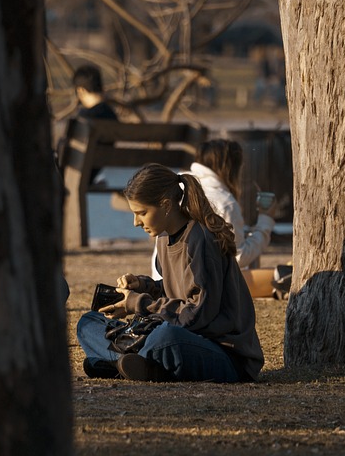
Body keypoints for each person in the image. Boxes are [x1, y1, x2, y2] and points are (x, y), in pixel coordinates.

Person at [77, 163, 264, 383]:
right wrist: (143, 285)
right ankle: (139, 364)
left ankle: (124, 362)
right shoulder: (164, 237)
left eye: (142, 213)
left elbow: (196, 314)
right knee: (88, 323)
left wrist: (138, 304)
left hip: (224, 353)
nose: (136, 222)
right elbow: (173, 289)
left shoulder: (201, 239)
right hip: (186, 335)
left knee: (165, 337)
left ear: (166, 205)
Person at [152, 139, 277, 297]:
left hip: (165, 284)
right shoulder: (225, 202)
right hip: (200, 290)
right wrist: (265, 221)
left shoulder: (178, 187)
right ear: (233, 168)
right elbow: (237, 257)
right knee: (282, 276)